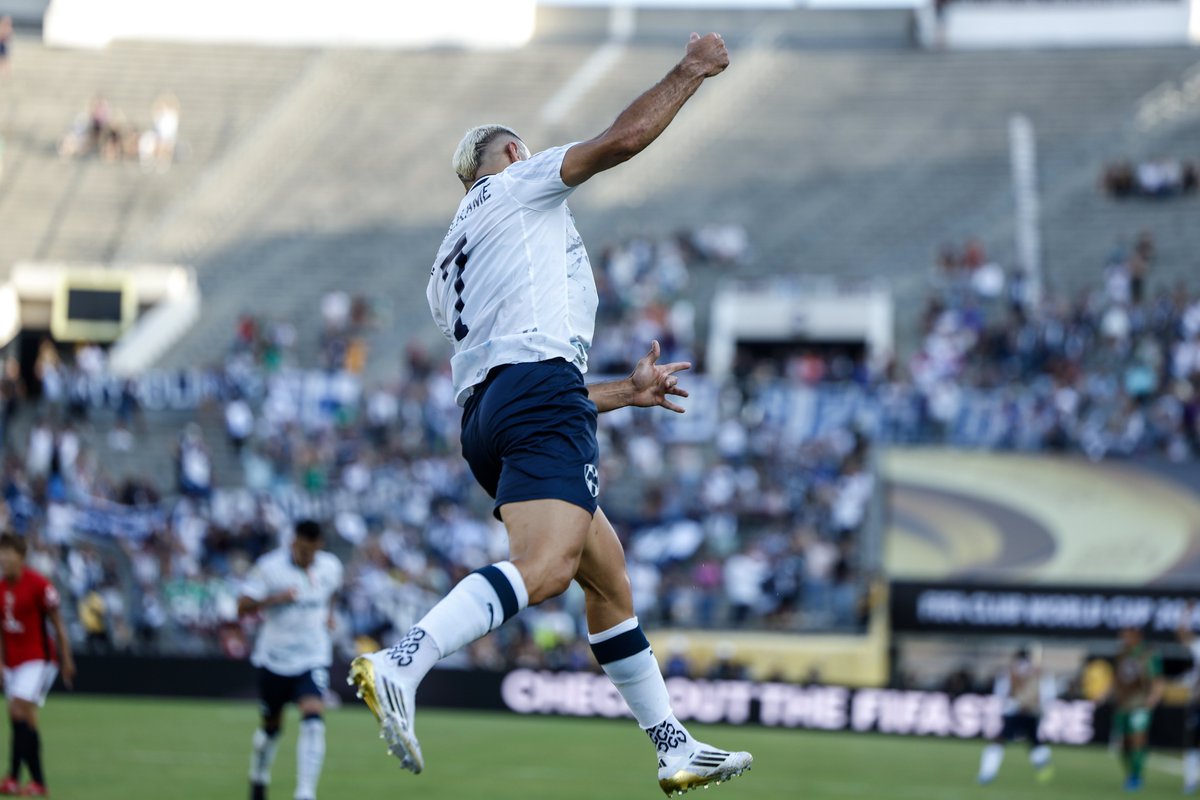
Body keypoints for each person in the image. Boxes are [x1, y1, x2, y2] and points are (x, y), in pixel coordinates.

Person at [348, 31, 751, 797]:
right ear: (503, 158)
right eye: (521, 148)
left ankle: (671, 744)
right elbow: (624, 139)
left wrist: (621, 395)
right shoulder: (518, 183)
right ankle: (403, 659)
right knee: (549, 568)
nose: (533, 155)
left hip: (491, 416)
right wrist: (690, 70)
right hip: (532, 394)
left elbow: (512, 367)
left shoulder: (446, 266)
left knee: (607, 577)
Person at [238, 520, 343, 800]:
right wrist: (275, 599)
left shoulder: (331, 567)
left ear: (319, 547)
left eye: (312, 551)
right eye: (302, 549)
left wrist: (330, 615)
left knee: (313, 721)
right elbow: (242, 606)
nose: (307, 556)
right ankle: (259, 775)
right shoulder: (269, 567)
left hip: (312, 656)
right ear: (293, 543)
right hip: (275, 658)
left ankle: (305, 793)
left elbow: (333, 593)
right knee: (271, 728)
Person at [0, 533, 75, 798]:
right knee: (22, 718)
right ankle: (35, 782)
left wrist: (66, 658)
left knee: (17, 708)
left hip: (39, 659)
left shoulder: (39, 585)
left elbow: (57, 623)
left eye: (9, 552)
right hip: (13, 663)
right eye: (1, 553)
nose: (4, 558)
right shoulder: (1, 588)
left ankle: (12, 776)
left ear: (21, 556)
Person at [977, 647, 1054, 785]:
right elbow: (1048, 694)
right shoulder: (1039, 673)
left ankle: (987, 773)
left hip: (1014, 712)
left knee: (999, 741)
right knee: (1033, 741)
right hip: (1031, 713)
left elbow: (1001, 693)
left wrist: (1012, 704)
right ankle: (1043, 763)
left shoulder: (1010, 673)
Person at [1109, 626, 1163, 792]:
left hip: (1140, 703)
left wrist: (1153, 698)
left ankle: (1136, 776)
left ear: (1137, 636)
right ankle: (1130, 773)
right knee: (1123, 744)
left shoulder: (1148, 654)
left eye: (1128, 635)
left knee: (1137, 740)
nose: (1125, 638)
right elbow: (1117, 678)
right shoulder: (1121, 654)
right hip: (1123, 705)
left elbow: (1157, 679)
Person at [1178, 603, 1200, 793]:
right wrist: (1186, 614)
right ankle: (1190, 781)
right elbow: (1183, 635)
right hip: (1197, 702)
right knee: (1192, 741)